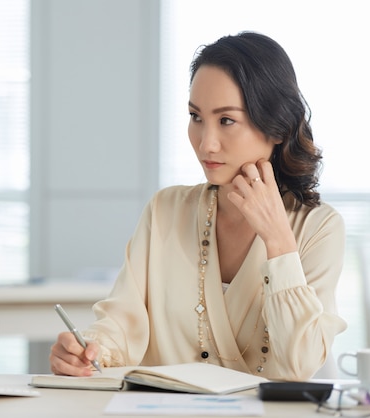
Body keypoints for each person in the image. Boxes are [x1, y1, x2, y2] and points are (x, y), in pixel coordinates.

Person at [49, 31, 347, 381]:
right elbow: (121, 324)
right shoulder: (165, 210)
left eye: (226, 120)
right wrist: (88, 350)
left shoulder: (319, 228)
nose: (206, 143)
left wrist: (279, 241)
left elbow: (301, 364)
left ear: (277, 126)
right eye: (196, 117)